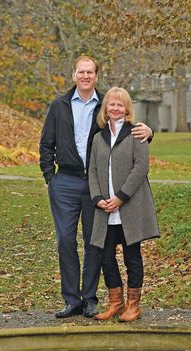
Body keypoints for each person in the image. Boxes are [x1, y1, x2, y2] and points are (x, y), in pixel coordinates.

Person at [39, 55, 154, 319]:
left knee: (95, 243)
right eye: (81, 72)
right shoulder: (59, 106)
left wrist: (150, 133)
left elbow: (126, 133)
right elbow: (46, 144)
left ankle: (89, 298)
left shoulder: (105, 104)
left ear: (96, 76)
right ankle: (72, 299)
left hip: (97, 185)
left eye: (90, 72)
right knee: (65, 241)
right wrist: (50, 177)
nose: (86, 76)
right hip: (65, 182)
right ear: (74, 75)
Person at [88, 87, 160, 322]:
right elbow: (94, 171)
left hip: (128, 206)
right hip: (105, 208)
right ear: (105, 108)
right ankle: (116, 303)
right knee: (105, 256)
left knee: (132, 257)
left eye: (120, 105)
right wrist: (99, 198)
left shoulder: (137, 133)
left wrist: (120, 197)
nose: (116, 108)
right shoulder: (99, 138)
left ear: (127, 109)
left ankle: (133, 306)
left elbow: (141, 168)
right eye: (112, 104)